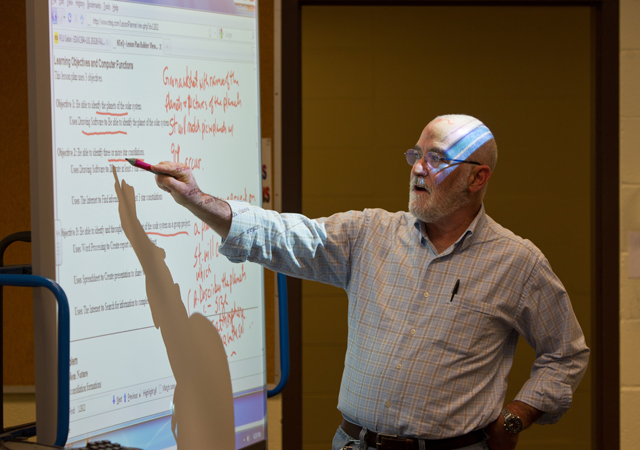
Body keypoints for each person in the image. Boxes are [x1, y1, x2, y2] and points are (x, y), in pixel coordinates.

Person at [152, 115, 589, 450]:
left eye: (437, 158)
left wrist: (516, 417)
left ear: (478, 177)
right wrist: (199, 200)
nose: (418, 168)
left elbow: (565, 354)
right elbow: (281, 235)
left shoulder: (518, 262)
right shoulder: (369, 234)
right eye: (416, 154)